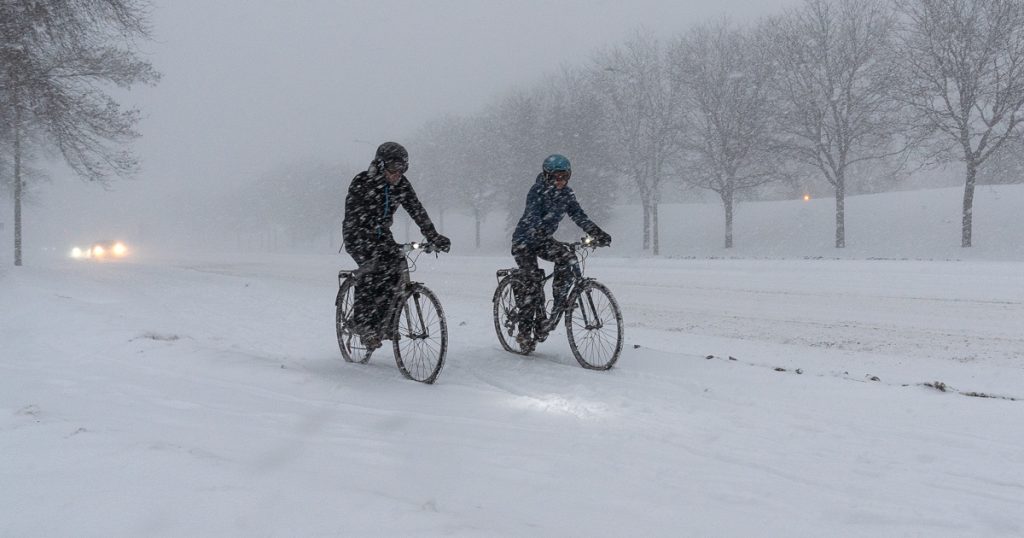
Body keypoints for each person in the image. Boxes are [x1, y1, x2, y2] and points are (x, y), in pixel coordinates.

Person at [342, 141, 450, 348]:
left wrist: (433, 235)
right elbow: (354, 214)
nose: (398, 173)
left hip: (382, 236)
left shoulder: (402, 185)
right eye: (393, 167)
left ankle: (386, 323)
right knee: (372, 269)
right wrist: (369, 236)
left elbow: (416, 210)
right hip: (357, 235)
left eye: (403, 168)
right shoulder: (362, 181)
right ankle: (363, 323)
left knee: (396, 267)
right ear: (381, 165)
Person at [510, 154, 611, 345]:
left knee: (567, 257)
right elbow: (532, 215)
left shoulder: (567, 195)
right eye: (557, 177)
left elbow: (579, 215)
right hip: (524, 242)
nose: (561, 181)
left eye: (565, 176)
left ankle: (559, 303)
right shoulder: (537, 191)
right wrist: (537, 229)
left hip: (543, 240)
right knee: (532, 283)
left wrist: (598, 233)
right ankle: (524, 332)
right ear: (547, 176)